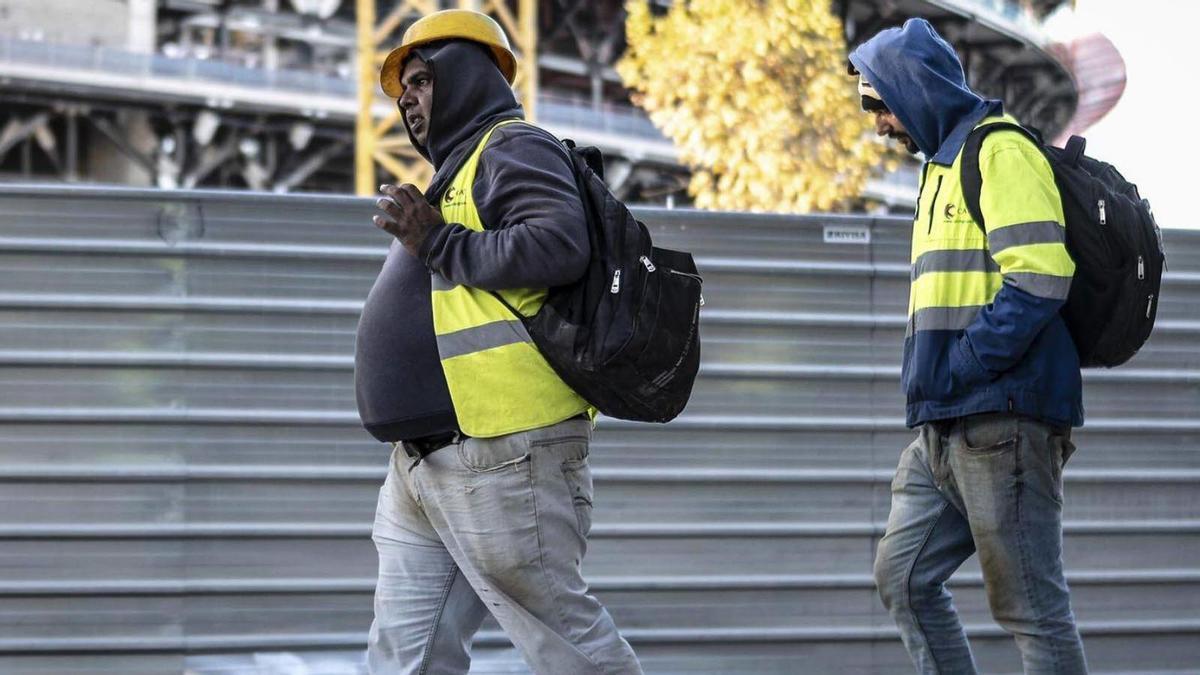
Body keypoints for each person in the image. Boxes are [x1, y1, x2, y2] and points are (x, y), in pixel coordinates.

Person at [356, 9, 643, 675]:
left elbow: (559, 243)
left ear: (465, 76)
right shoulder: (458, 169)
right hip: (427, 464)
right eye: (404, 91)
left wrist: (436, 240)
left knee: (569, 647)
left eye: (422, 82)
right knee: (406, 654)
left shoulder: (513, 146)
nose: (408, 101)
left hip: (501, 457)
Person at [849, 18, 1088, 675]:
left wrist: (963, 364)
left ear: (915, 88)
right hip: (944, 424)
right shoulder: (940, 169)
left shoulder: (998, 151)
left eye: (880, 104)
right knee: (903, 575)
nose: (876, 124)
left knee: (1032, 608)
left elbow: (1042, 275)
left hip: (1001, 419)